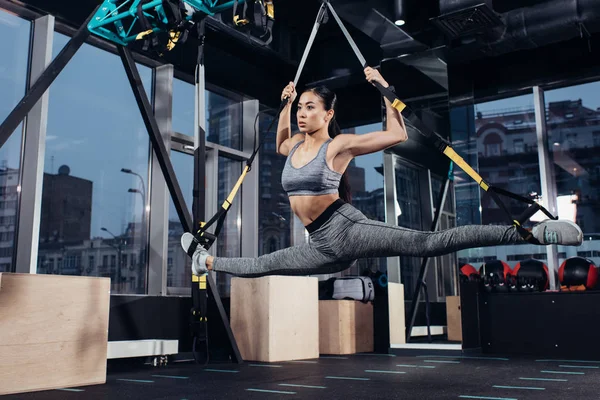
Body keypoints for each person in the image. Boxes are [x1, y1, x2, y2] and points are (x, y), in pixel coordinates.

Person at [181, 67, 583, 277]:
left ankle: (530, 232)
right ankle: (204, 262)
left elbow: (396, 133)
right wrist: (285, 104)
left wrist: (385, 89)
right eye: (301, 108)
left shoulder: (337, 146)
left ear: (329, 113)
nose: (304, 114)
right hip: (320, 245)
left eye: (310, 108)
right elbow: (279, 140)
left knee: (429, 243)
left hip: (347, 231)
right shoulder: (291, 147)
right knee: (265, 266)